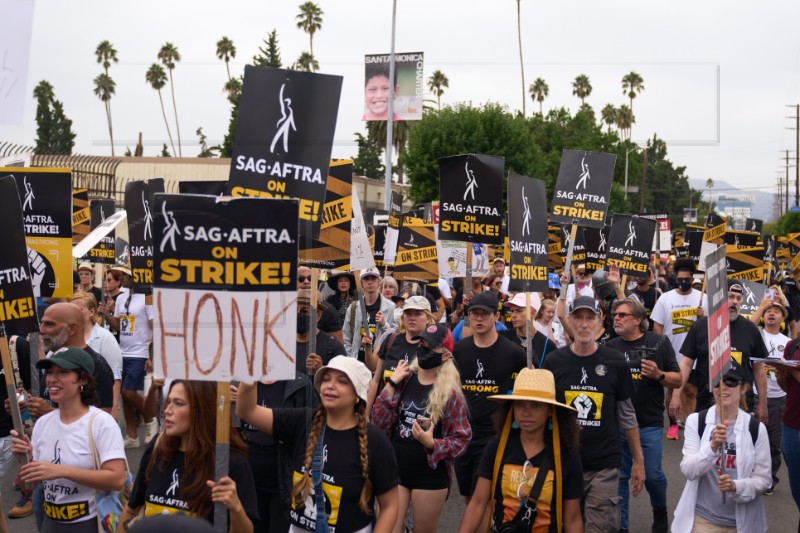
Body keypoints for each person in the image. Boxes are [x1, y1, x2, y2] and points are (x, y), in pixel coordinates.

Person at [237, 356, 400, 532]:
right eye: (326, 379)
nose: (330, 385)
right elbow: (247, 411)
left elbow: (390, 506)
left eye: (342, 381)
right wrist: (250, 372)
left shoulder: (376, 442)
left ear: (357, 396)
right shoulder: (303, 421)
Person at [542, 296, 645, 533]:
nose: (584, 324)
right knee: (563, 526)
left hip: (603, 465)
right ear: (569, 320)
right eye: (578, 318)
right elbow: (542, 413)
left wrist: (638, 461)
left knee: (599, 528)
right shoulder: (553, 361)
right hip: (562, 461)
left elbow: (627, 414)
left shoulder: (615, 361)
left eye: (590, 318)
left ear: (600, 322)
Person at [11, 347, 126, 533]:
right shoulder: (43, 424)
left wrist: (60, 471)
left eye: (63, 372)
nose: (52, 379)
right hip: (49, 523)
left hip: (89, 523)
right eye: (49, 372)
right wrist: (24, 458)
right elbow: (28, 488)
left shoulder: (101, 423)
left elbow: (116, 479)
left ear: (83, 379)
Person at [119, 380, 258, 532]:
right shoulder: (157, 447)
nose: (167, 411)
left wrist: (236, 508)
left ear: (202, 408)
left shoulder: (230, 463)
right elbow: (132, 507)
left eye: (178, 404)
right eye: (168, 402)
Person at [372, 324, 471, 533]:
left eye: (430, 347)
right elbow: (378, 421)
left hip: (430, 474)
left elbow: (462, 440)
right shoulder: (405, 378)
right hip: (396, 467)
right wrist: (391, 383)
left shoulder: (450, 393)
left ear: (445, 356)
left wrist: (433, 443)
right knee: (388, 528)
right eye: (422, 343)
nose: (423, 349)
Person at [458, 368, 584, 533]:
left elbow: (572, 519)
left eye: (535, 405)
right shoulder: (497, 447)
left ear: (550, 411)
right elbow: (478, 503)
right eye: (519, 404)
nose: (525, 412)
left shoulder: (567, 455)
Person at [606, 298, 681, 533]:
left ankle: (660, 512)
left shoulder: (658, 342)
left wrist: (659, 375)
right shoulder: (609, 347)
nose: (616, 318)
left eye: (622, 315)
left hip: (648, 422)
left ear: (638, 320)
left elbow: (677, 379)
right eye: (615, 315)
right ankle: (622, 525)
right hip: (617, 424)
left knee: (652, 475)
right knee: (619, 477)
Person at [672, 363, 770, 532]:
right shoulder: (697, 422)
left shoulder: (755, 429)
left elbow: (764, 480)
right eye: (717, 382)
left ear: (743, 388)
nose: (723, 387)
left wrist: (736, 486)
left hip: (742, 523)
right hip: (704, 520)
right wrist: (712, 447)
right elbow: (689, 470)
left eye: (731, 382)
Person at [453, 291, 527, 503]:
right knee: (469, 496)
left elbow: (528, 386)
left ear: (496, 317)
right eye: (474, 314)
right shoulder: (459, 350)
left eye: (484, 314)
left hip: (495, 434)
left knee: (485, 497)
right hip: (464, 433)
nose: (478, 319)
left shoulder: (513, 352)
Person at [678, 281, 769, 422]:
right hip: (706, 404)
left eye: (738, 298)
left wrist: (763, 403)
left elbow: (758, 369)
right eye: (730, 297)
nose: (735, 302)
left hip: (742, 407)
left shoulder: (750, 329)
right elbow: (687, 363)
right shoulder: (700, 327)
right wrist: (676, 394)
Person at [239, 372, 318, 533]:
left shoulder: (299, 383)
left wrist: (290, 436)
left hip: (284, 481)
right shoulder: (242, 382)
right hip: (250, 477)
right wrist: (232, 401)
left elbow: (315, 425)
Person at [652, 257, 707, 439]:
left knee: (691, 390)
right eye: (680, 279)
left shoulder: (703, 299)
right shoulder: (665, 299)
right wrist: (659, 349)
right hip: (671, 353)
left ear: (693, 279)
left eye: (687, 280)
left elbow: (711, 326)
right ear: (675, 277)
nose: (683, 283)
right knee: (671, 392)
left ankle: (690, 425)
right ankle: (674, 424)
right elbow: (657, 326)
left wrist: (703, 317)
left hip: (694, 355)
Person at [102, 276, 158, 448]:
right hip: (123, 352)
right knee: (125, 396)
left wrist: (151, 356)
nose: (120, 279)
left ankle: (151, 417)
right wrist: (106, 314)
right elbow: (119, 326)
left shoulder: (148, 297)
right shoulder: (121, 298)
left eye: (123, 276)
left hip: (140, 352)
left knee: (128, 393)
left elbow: (155, 327)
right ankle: (132, 436)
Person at [367, 295, 435, 410]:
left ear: (428, 318)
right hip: (384, 414)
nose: (412, 318)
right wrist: (367, 412)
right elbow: (376, 381)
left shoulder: (432, 348)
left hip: (413, 418)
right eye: (408, 313)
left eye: (418, 314)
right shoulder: (390, 340)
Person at [751, 298, 791, 494]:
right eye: (769, 311)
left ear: (783, 318)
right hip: (755, 394)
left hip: (778, 397)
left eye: (777, 311)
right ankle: (750, 473)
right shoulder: (756, 334)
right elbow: (746, 327)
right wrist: (761, 307)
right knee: (751, 437)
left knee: (774, 441)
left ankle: (770, 479)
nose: (772, 313)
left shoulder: (788, 343)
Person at [70, 291, 122, 420]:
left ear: (92, 312)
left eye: (79, 310)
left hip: (99, 402)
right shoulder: (67, 336)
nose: (74, 314)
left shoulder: (105, 337)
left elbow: (115, 376)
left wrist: (113, 408)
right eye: (71, 310)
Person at [343, 267, 396, 363]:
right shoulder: (353, 308)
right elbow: (346, 337)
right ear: (361, 283)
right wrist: (350, 359)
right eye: (366, 279)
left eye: (373, 278)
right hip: (357, 362)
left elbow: (396, 337)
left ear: (379, 282)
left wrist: (384, 325)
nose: (370, 282)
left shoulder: (390, 307)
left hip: (378, 363)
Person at [296, 289, 346, 376]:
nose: (298, 315)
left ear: (318, 315)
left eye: (305, 311)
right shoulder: (281, 346)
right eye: (294, 310)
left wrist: (321, 371)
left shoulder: (333, 348)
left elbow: (341, 383)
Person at [500, 292, 557, 368]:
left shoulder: (547, 344)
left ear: (532, 313)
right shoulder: (502, 337)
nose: (513, 315)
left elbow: (553, 375)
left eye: (519, 311)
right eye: (512, 311)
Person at [299, 266, 343, 344]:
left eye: (310, 278)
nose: (306, 281)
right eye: (301, 279)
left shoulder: (328, 310)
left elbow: (339, 347)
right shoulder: (285, 308)